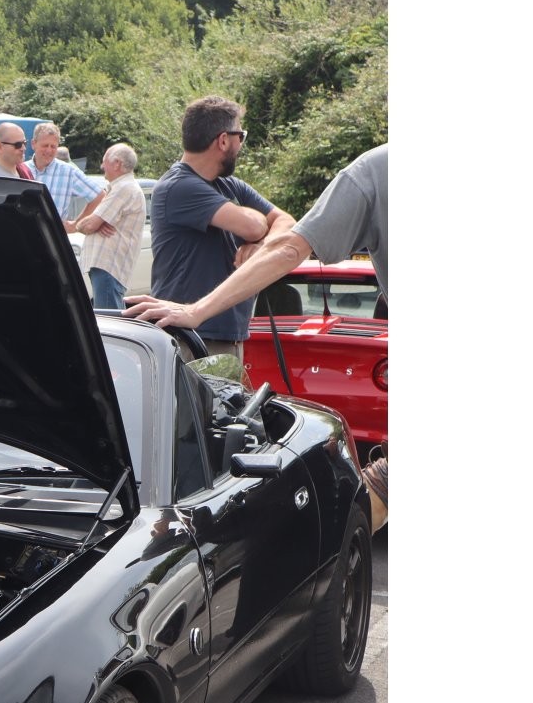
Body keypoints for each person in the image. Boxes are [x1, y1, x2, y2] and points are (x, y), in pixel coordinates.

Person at [125, 143, 389, 528]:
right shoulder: (181, 186)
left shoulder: (377, 169)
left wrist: (195, 310)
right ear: (222, 139)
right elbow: (281, 235)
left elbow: (287, 237)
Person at [145, 96, 293, 363]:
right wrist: (260, 230)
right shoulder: (179, 186)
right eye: (241, 136)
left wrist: (259, 245)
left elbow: (288, 223)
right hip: (191, 337)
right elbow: (253, 224)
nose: (240, 144)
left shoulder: (230, 186)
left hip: (224, 335)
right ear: (224, 140)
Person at [74, 143, 144, 309]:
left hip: (108, 267)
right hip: (107, 267)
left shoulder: (123, 187)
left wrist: (83, 224)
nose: (101, 166)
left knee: (109, 325)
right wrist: (93, 223)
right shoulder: (120, 187)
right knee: (110, 321)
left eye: (104, 161)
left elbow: (89, 225)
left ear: (117, 163)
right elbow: (92, 223)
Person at [26, 122, 104, 232]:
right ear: (33, 144)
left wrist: (76, 225)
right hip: (24, 235)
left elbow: (99, 196)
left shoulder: (68, 172)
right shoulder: (21, 169)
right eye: (45, 145)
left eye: (53, 146)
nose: (49, 150)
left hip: (52, 239)